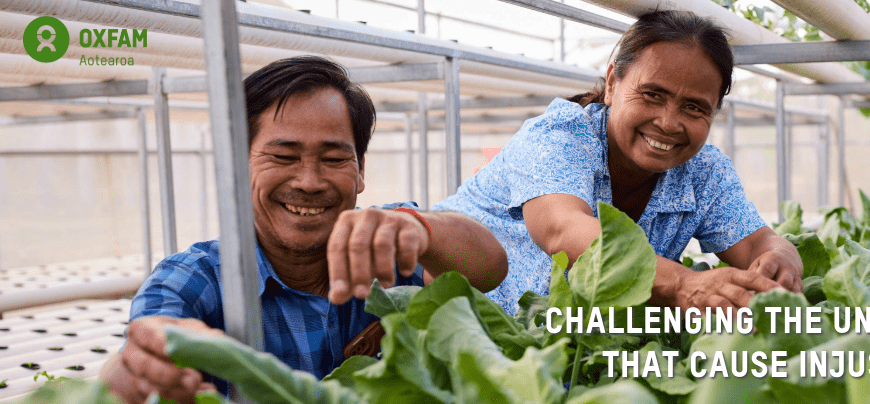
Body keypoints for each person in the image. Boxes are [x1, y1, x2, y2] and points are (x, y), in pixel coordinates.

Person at [99, 56, 508, 404]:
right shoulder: (194, 278)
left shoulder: (387, 241)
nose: (309, 181)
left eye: (333, 158)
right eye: (283, 155)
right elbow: (142, 353)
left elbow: (490, 266)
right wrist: (136, 364)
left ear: (361, 171)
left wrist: (420, 229)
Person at [433, 10, 802, 315]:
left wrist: (780, 263)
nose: (669, 123)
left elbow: (758, 242)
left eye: (694, 107)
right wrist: (684, 284)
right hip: (443, 324)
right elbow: (564, 232)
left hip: (550, 361)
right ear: (612, 83)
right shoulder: (559, 135)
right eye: (653, 94)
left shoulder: (703, 171)